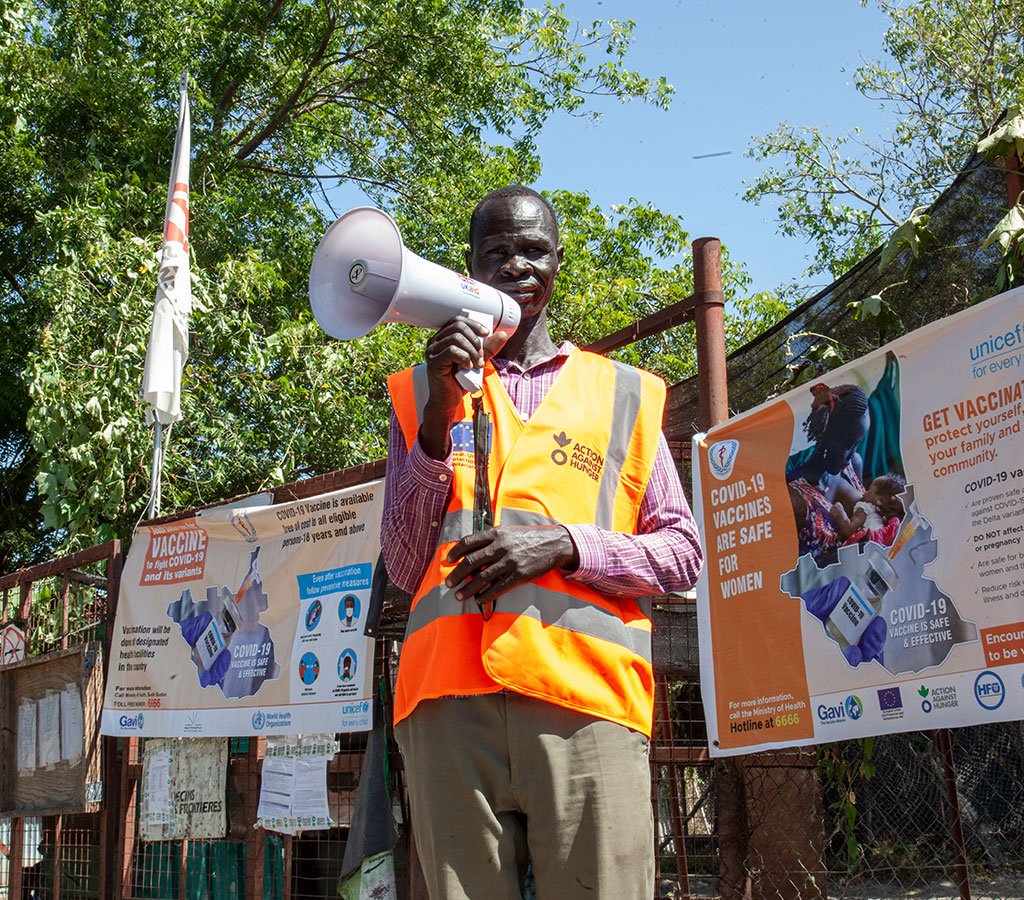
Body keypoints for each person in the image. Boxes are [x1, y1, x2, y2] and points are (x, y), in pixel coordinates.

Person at [380, 185, 703, 900]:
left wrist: (564, 547)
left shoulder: (624, 393)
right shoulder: (421, 391)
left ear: (559, 261)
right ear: (470, 267)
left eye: (532, 250)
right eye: (497, 252)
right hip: (445, 709)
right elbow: (405, 565)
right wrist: (438, 415)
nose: (517, 266)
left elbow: (682, 554)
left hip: (585, 701)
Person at [786, 382, 871, 560]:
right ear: (828, 436)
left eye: (856, 445)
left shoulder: (853, 465)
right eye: (848, 446)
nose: (852, 454)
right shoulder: (795, 498)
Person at [831, 472, 906, 546]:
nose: (864, 492)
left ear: (878, 500)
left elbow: (849, 530)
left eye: (870, 490)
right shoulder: (888, 518)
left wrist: (840, 512)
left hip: (867, 544)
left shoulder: (865, 507)